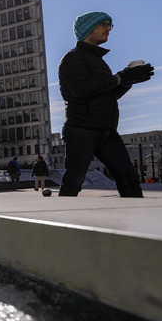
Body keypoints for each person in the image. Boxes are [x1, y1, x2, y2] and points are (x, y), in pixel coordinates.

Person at [57, 12, 154, 197]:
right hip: (81, 130)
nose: (108, 29)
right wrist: (119, 78)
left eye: (110, 25)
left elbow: (107, 96)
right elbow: (80, 89)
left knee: (129, 178)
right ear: (87, 29)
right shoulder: (72, 58)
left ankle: (134, 221)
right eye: (104, 24)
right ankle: (58, 224)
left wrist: (128, 80)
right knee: (73, 183)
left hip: (107, 131)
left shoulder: (99, 62)